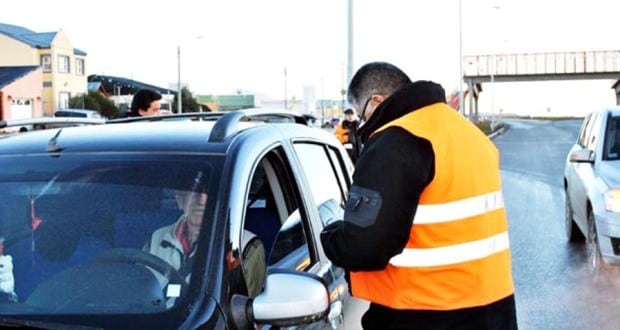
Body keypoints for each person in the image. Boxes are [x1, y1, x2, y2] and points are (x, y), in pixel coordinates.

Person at [320, 62, 517, 330]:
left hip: (423, 314)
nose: (363, 123)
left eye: (361, 114)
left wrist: (330, 237)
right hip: (494, 312)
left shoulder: (397, 140)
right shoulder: (470, 135)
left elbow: (365, 246)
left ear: (376, 101)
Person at [144, 189, 207, 282]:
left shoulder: (226, 245)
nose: (201, 198)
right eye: (195, 190)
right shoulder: (156, 238)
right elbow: (140, 287)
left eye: (209, 191)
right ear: (180, 199)